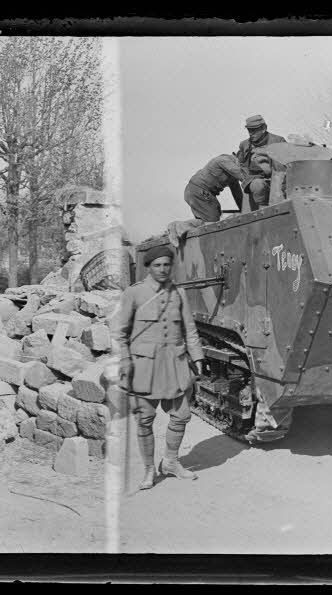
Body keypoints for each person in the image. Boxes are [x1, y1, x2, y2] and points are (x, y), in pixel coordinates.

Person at [112, 245, 205, 490]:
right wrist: (125, 359)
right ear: (149, 267)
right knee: (145, 419)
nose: (163, 269)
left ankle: (171, 463)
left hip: (175, 363)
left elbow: (190, 330)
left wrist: (198, 358)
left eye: (166, 265)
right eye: (157, 265)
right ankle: (149, 470)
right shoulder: (134, 293)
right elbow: (119, 332)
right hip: (144, 366)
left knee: (182, 416)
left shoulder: (179, 293)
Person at [184, 153, 247, 222]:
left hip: (199, 192)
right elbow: (245, 178)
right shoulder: (225, 161)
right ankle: (179, 227)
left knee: (210, 220)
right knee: (212, 223)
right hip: (199, 190)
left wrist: (244, 211)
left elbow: (237, 194)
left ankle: (183, 229)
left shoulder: (232, 173)